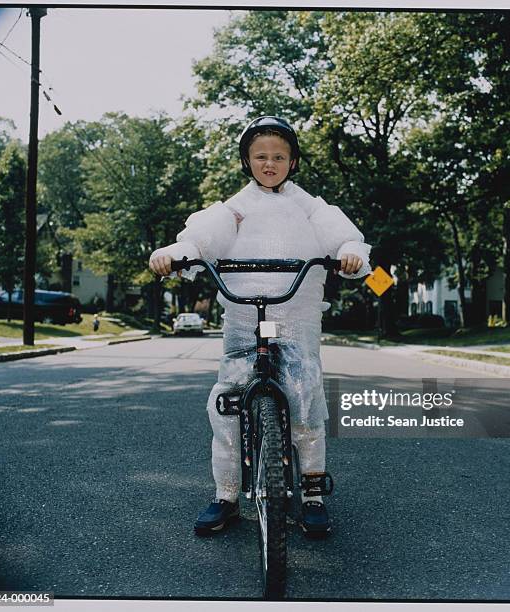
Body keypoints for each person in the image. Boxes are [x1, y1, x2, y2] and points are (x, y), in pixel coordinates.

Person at [149, 116, 371, 537]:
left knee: (305, 400)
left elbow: (339, 233)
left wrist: (349, 251)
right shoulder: (236, 207)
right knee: (227, 403)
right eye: (261, 156)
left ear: (293, 162)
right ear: (247, 161)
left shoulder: (309, 205)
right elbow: (203, 237)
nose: (270, 164)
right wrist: (179, 253)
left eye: (279, 157)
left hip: (298, 315)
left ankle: (311, 493)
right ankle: (226, 494)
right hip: (243, 317)